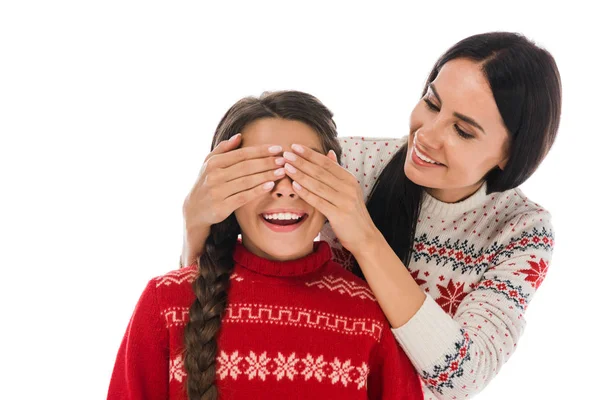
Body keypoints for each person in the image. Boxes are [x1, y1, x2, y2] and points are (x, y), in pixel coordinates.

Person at [180, 32, 562, 399]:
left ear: (510, 154)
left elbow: (462, 376)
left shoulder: (521, 231)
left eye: (462, 130)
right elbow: (235, 289)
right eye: (431, 102)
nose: (427, 135)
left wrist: (363, 237)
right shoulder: (353, 162)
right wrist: (196, 222)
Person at [108, 91, 424, 399]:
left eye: (303, 168)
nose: (285, 189)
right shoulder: (164, 304)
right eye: (261, 171)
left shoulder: (371, 315)